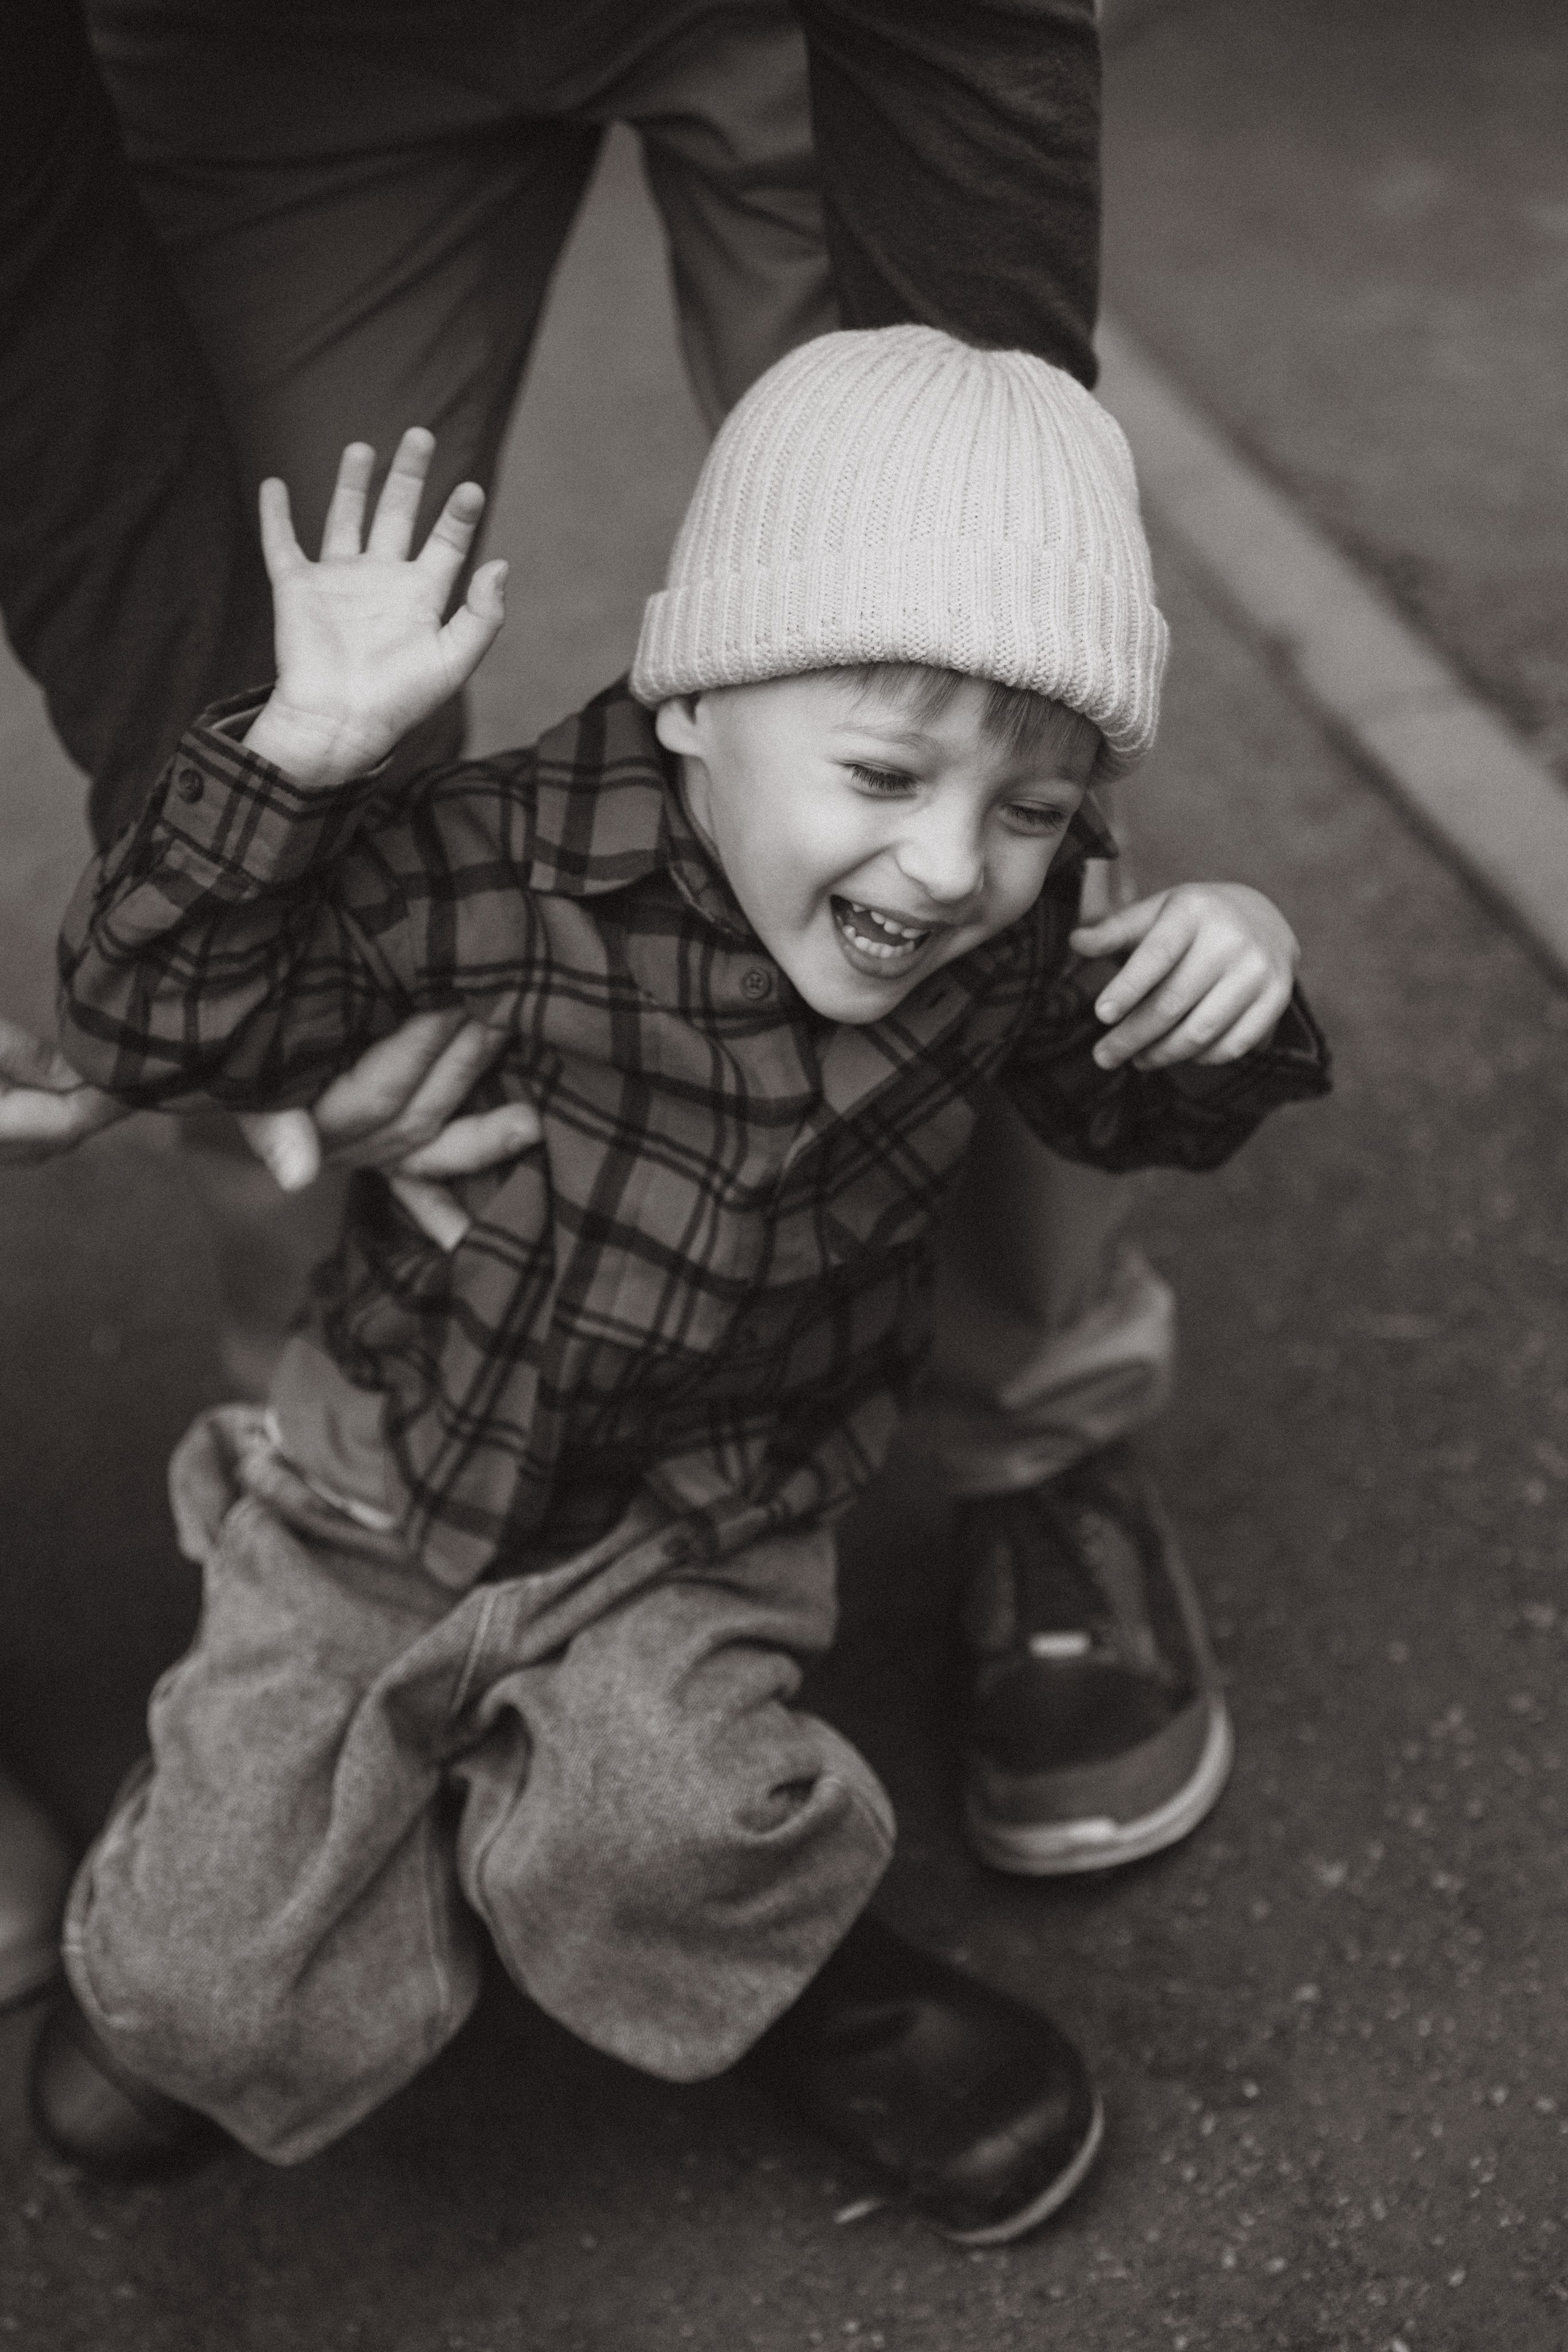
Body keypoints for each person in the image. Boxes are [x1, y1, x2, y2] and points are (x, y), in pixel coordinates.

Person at [2, 0, 1220, 2018]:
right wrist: (241, 788)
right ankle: (333, 1545)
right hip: (254, 47)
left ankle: (1039, 1439)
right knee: (296, 712)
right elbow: (40, 289)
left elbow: (987, 701)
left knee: (962, 717)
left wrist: (998, 608)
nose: (936, 864)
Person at [40, 332, 1329, 2234]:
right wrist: (298, 761)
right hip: (378, 1476)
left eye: (1038, 806)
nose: (954, 861)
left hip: (699, 1514)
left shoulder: (999, 930)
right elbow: (155, 1029)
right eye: (884, 770)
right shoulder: (489, 861)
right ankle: (307, 1892)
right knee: (189, 1990)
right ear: (696, 699)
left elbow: (1145, 1101)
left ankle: (796, 1961)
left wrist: (1243, 953)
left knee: (676, 1826)